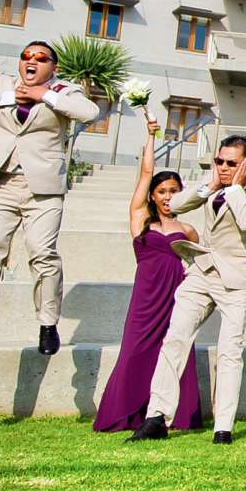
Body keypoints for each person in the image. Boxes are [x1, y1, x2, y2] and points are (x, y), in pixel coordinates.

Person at [0, 40, 101, 360]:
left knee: (42, 254)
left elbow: (89, 112)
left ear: (52, 66)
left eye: (41, 58)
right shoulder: (3, 85)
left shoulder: (63, 90)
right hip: (0, 183)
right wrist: (9, 96)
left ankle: (47, 323)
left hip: (42, 189)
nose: (32, 62)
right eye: (26, 57)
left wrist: (43, 95)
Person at [130, 134, 246, 445]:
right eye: (219, 161)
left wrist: (236, 186)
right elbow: (176, 204)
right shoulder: (214, 182)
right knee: (175, 339)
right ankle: (157, 417)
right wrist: (210, 186)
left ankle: (223, 426)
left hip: (238, 279)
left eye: (231, 163)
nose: (223, 167)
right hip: (202, 272)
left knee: (229, 351)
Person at [92, 117, 203, 434]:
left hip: (177, 296)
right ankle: (126, 413)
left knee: (177, 350)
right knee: (135, 351)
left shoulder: (188, 229)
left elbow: (203, 264)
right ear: (153, 195)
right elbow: (144, 173)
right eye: (163, 191)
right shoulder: (141, 220)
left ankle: (174, 415)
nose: (169, 196)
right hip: (146, 297)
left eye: (175, 191)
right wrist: (151, 136)